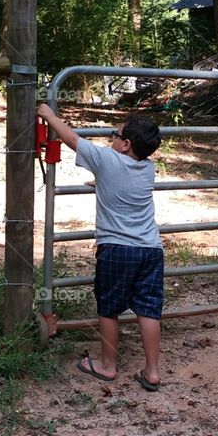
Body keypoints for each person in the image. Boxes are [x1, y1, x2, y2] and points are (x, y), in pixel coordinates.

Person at [37, 104, 163, 391]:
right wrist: (102, 182)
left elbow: (72, 140)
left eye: (114, 134)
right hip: (151, 249)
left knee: (108, 308)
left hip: (117, 249)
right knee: (148, 309)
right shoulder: (147, 168)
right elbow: (123, 182)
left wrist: (50, 116)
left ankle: (107, 365)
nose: (111, 138)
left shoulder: (107, 159)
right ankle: (152, 371)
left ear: (126, 144)